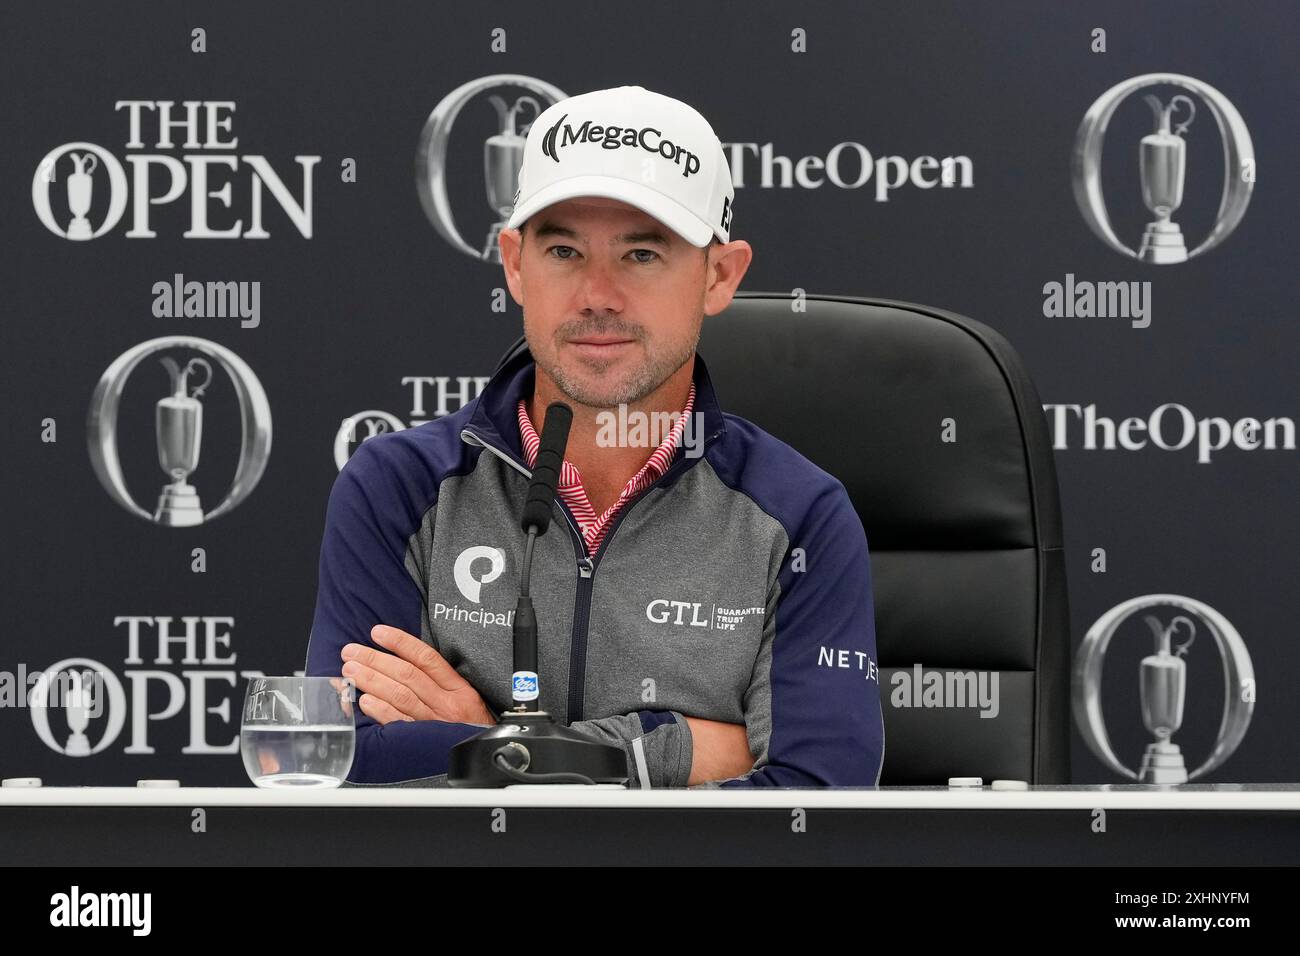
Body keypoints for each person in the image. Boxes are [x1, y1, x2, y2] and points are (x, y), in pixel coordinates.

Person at [305, 85, 884, 788]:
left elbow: (819, 799)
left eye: (642, 254)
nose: (597, 294)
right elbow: (348, 767)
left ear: (719, 276)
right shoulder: (397, 487)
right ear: (515, 264)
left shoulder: (802, 517)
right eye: (564, 251)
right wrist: (660, 749)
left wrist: (488, 745)